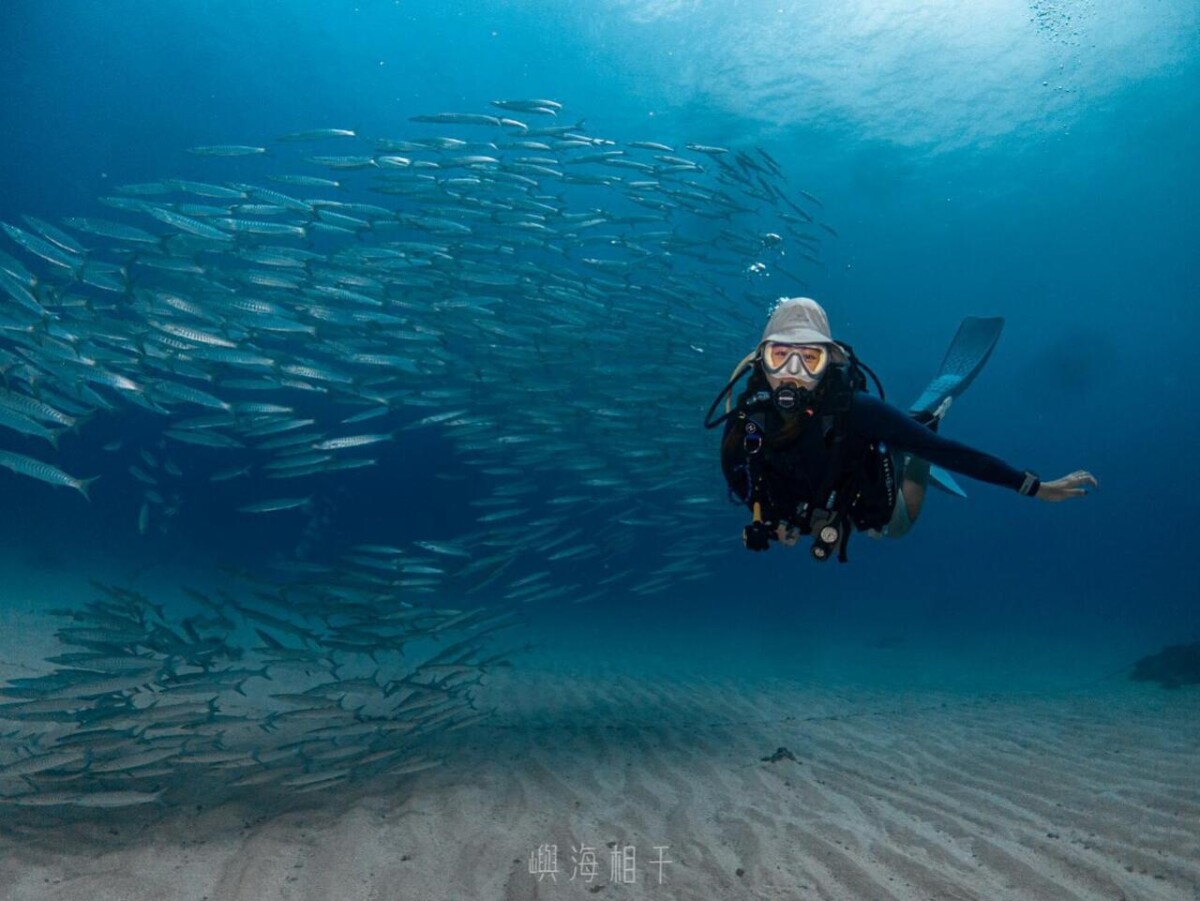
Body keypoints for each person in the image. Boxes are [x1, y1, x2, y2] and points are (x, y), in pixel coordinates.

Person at [706, 297, 1097, 562]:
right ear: (761, 361)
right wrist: (771, 522)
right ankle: (909, 433)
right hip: (807, 508)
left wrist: (1032, 486)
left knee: (900, 522)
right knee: (905, 445)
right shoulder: (745, 423)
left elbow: (952, 454)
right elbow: (744, 483)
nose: (793, 372)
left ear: (828, 363)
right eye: (780, 356)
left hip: (864, 494)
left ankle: (919, 430)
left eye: (809, 358)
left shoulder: (856, 410)